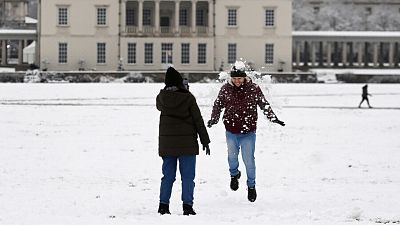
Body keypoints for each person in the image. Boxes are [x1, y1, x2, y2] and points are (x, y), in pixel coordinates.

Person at [207, 61, 285, 202]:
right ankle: (234, 174)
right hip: (231, 130)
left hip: (248, 131)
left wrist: (273, 118)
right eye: (235, 78)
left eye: (240, 78)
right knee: (232, 157)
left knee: (249, 161)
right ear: (231, 78)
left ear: (244, 77)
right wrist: (214, 119)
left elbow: (263, 103)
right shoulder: (225, 89)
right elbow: (218, 105)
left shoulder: (253, 88)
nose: (237, 81)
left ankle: (251, 186)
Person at [156, 67, 211, 216]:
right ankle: (187, 206)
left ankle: (163, 205)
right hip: (187, 145)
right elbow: (198, 120)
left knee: (168, 176)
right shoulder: (188, 98)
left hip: (167, 145)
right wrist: (205, 140)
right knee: (187, 177)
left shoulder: (161, 98)